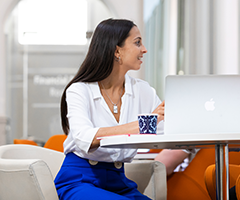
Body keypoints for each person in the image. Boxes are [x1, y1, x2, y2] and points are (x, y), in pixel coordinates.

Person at [54, 18, 165, 200]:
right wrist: (145, 124)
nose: (144, 49)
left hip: (118, 181)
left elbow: (164, 130)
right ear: (116, 51)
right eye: (137, 43)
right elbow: (85, 138)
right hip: (80, 179)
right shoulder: (79, 90)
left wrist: (173, 115)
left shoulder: (142, 90)